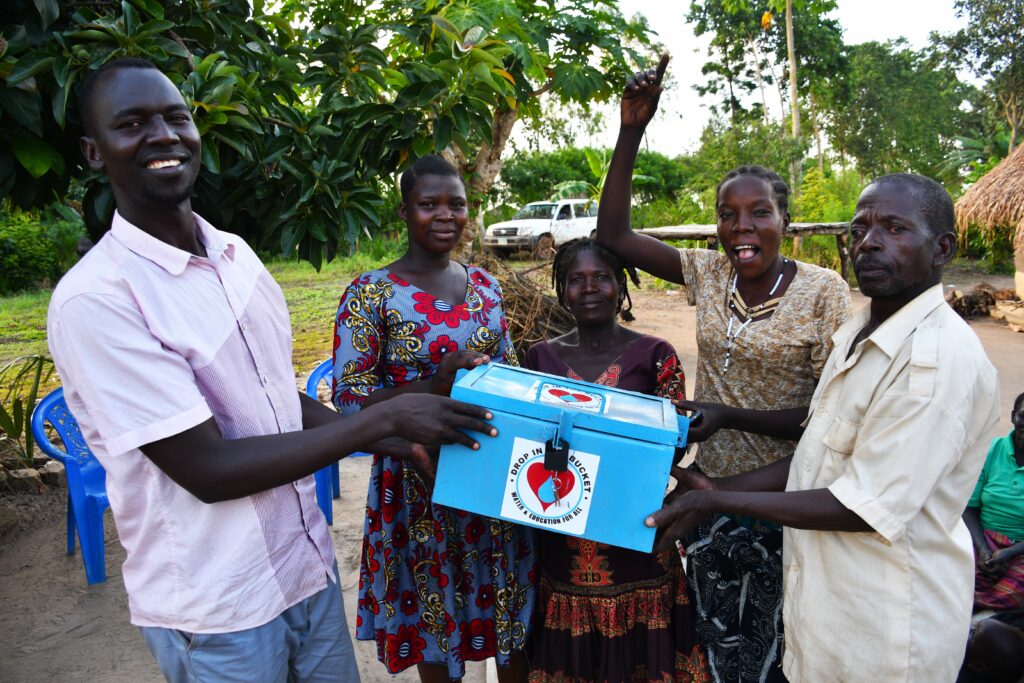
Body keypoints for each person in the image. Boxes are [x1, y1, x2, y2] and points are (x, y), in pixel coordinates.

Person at [48, 58, 498, 683]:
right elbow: (205, 468)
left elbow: (273, 402)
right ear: (94, 152)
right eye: (133, 123)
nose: (163, 135)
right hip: (219, 604)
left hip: (304, 568)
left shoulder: (237, 258)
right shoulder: (99, 299)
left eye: (177, 117)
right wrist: (382, 419)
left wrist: (396, 439)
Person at [646, 173, 1001, 682]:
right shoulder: (863, 331)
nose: (870, 242)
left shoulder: (936, 362)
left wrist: (716, 501)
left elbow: (861, 505)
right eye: (860, 230)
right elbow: (819, 454)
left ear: (942, 248)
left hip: (885, 633)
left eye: (895, 228)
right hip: (830, 617)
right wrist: (714, 487)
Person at [595, 55, 851, 682]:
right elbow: (614, 234)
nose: (742, 227)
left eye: (759, 212)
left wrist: (731, 413)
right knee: (717, 645)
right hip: (706, 497)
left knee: (784, 646)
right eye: (728, 214)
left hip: (785, 499)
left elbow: (831, 420)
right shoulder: (708, 273)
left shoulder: (824, 292)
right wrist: (631, 130)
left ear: (783, 220)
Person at [332, 155, 536, 683]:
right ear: (404, 211)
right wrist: (434, 385)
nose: (445, 216)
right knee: (435, 623)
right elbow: (349, 400)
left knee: (512, 631)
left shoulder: (487, 288)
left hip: (494, 481)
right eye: (429, 205)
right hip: (417, 485)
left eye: (457, 205)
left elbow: (512, 380)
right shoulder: (370, 294)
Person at [521, 238, 707, 683]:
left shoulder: (656, 354)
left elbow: (673, 445)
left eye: (601, 277)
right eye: (575, 280)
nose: (589, 288)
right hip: (561, 539)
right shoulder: (537, 357)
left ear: (620, 287)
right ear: (561, 290)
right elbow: (525, 444)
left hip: (637, 539)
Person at [964, 392, 1024, 611]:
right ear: (1013, 417)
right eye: (1023, 416)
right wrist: (984, 551)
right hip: (984, 538)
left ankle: (971, 608)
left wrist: (1009, 553)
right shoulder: (991, 450)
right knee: (950, 572)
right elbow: (968, 508)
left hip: (1021, 548)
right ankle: (981, 609)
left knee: (1015, 589)